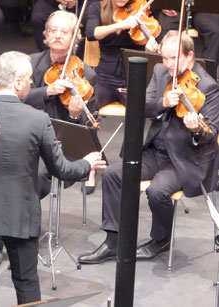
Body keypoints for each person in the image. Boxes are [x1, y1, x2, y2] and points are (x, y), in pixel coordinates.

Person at [0, 51, 106, 307]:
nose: (33, 83)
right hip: (20, 213)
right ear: (18, 82)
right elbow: (61, 169)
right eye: (30, 78)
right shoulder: (37, 119)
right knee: (26, 280)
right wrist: (87, 164)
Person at [77, 30, 219, 264]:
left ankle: (160, 240)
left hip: (183, 158)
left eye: (174, 58)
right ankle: (113, 241)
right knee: (113, 174)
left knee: (157, 191)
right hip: (155, 151)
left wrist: (196, 129)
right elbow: (140, 106)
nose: (169, 64)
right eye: (165, 58)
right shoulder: (160, 72)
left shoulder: (208, 86)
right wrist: (163, 102)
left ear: (190, 57)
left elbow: (210, 133)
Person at [25, 10, 98, 197]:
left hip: (58, 142)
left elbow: (89, 126)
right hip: (28, 134)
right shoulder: (30, 64)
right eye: (53, 30)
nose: (57, 35)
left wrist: (74, 115)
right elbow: (17, 97)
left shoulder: (87, 75)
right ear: (46, 35)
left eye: (64, 32)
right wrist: (46, 91)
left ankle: (27, 218)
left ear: (75, 39)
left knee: (38, 173)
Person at [84, 0, 158, 110]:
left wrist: (149, 51)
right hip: (105, 78)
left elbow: (151, 48)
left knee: (141, 109)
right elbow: (91, 33)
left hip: (132, 78)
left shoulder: (139, 8)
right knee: (89, 104)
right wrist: (120, 25)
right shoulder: (97, 7)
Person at [154, 9, 219, 74]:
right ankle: (162, 76)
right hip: (174, 8)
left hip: (203, 8)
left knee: (216, 31)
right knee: (162, 29)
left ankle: (205, 76)